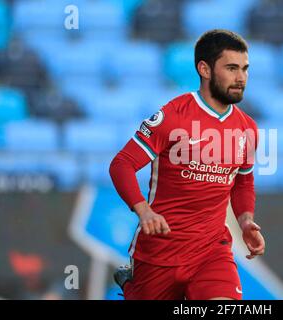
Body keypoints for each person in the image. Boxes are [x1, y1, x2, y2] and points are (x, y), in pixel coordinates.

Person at [109, 29, 265, 300]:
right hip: (160, 252)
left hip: (212, 250)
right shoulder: (173, 115)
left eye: (245, 69)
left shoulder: (247, 128)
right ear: (204, 69)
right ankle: (131, 286)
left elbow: (243, 181)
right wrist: (144, 211)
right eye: (231, 68)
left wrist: (245, 220)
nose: (241, 78)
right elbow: (121, 164)